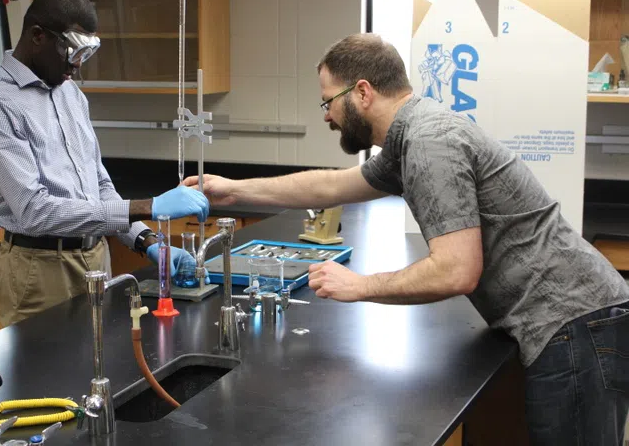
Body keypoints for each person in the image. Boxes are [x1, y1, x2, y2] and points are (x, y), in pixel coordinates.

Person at [183, 33, 629, 445]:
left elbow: (457, 270)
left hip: (575, 323)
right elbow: (330, 187)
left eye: (328, 102)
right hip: (578, 319)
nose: (326, 116)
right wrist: (234, 188)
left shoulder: (429, 142)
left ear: (362, 92)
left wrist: (360, 286)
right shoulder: (409, 136)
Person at [0, 0, 209, 327]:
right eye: (72, 51)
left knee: (97, 369)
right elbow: (36, 212)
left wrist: (147, 240)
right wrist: (149, 206)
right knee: (48, 376)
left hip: (96, 258)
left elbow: (99, 188)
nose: (76, 67)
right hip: (40, 267)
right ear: (38, 36)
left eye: (86, 54)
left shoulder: (70, 95)